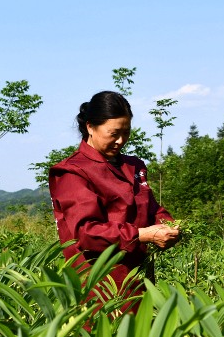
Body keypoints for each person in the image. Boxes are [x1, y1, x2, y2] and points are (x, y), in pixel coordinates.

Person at [49, 91, 180, 314]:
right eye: (113, 133)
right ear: (90, 127)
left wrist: (168, 225)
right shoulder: (72, 172)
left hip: (137, 279)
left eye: (126, 133)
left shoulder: (134, 166)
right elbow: (87, 232)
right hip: (98, 285)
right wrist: (143, 235)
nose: (120, 141)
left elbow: (150, 208)